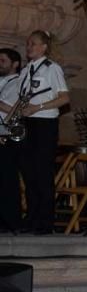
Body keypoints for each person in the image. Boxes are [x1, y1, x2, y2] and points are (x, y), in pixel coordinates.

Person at [14, 30, 70, 234]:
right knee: (28, 173)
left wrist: (38, 108)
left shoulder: (51, 69)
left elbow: (64, 98)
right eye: (28, 43)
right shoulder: (25, 70)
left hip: (44, 125)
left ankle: (45, 222)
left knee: (42, 174)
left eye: (33, 43)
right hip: (27, 123)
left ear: (44, 47)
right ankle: (31, 218)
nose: (29, 46)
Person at [0, 48, 23, 233]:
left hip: (6, 135)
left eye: (2, 61)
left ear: (15, 64)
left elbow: (14, 111)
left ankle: (10, 222)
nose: (0, 64)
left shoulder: (17, 83)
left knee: (7, 180)